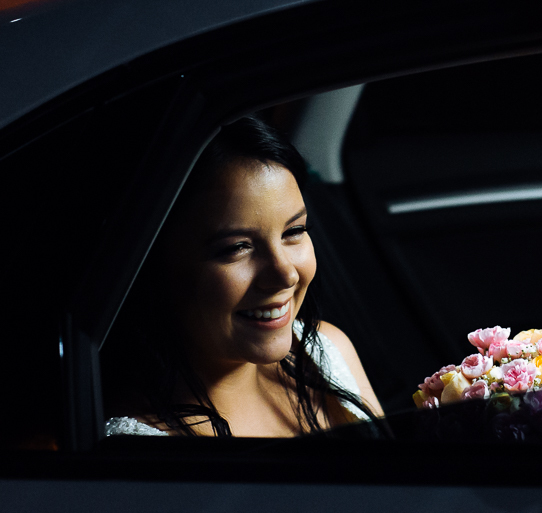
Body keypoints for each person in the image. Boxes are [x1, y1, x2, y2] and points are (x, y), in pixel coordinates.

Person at [102, 116, 382, 437]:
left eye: (294, 231)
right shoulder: (140, 448)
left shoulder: (328, 352)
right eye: (237, 247)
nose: (285, 274)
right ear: (153, 263)